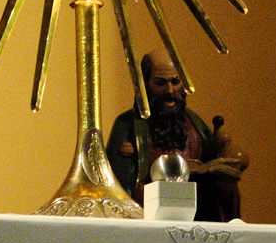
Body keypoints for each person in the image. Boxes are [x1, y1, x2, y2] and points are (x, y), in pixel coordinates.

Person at [105, 50, 249, 221]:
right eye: (160, 83)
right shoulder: (128, 125)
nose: (170, 90)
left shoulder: (195, 124)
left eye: (175, 82)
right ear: (144, 85)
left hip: (194, 213)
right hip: (147, 213)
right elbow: (117, 185)